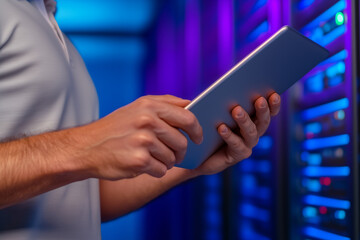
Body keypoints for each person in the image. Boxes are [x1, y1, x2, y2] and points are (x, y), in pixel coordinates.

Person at [0, 0, 281, 239]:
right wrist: (85, 145)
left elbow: (83, 199)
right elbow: (75, 156)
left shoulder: (48, 20)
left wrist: (191, 158)